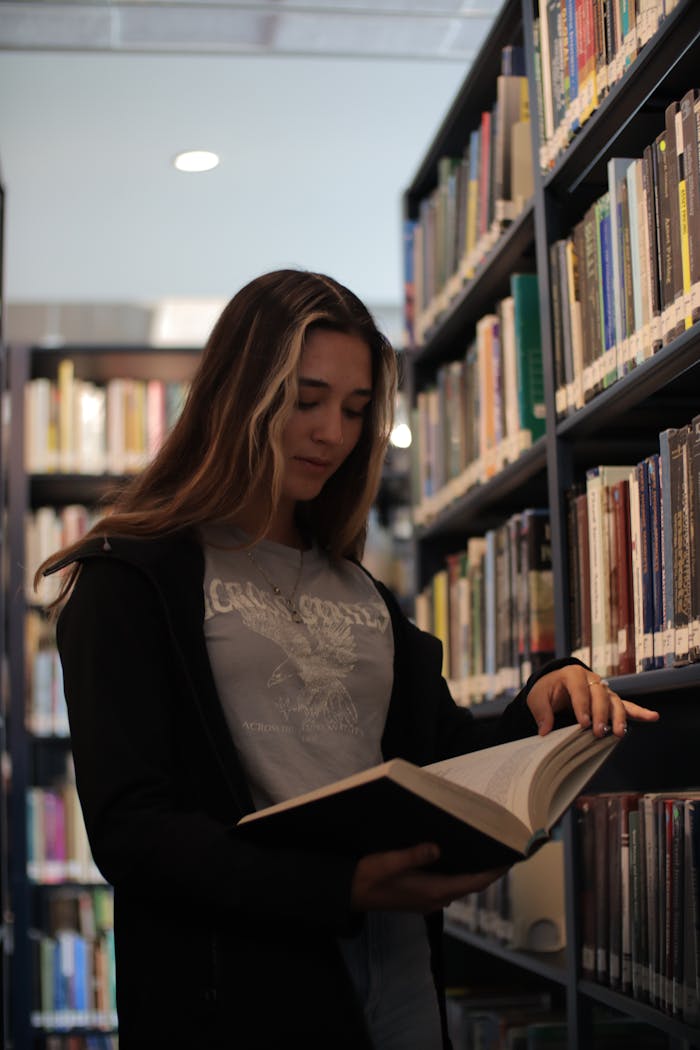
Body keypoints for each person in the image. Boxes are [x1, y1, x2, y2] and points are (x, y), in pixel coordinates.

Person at [38, 269, 659, 1050]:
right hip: (238, 997)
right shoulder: (129, 580)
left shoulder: (360, 588)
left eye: (356, 410)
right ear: (239, 395)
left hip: (398, 981)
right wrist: (339, 887)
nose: (333, 432)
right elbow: (133, 830)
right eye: (305, 401)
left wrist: (546, 700)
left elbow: (435, 764)